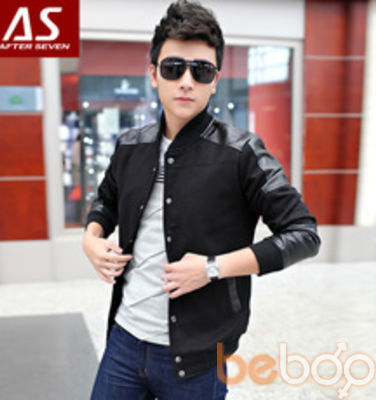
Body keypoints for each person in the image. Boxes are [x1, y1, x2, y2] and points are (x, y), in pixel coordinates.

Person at [83, 1, 321, 398]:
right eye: (173, 68)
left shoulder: (242, 153)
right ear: (153, 74)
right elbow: (105, 201)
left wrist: (213, 268)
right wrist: (90, 239)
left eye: (201, 71)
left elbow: (304, 234)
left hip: (199, 358)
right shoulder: (130, 145)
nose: (186, 81)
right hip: (123, 340)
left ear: (215, 81)